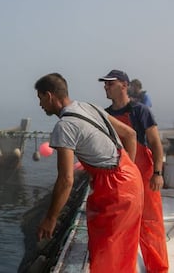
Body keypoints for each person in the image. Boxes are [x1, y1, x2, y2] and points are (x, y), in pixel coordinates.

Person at [34, 73, 144, 273]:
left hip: (116, 190)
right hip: (131, 177)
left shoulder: (64, 126)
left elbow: (66, 179)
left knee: (106, 256)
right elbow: (130, 134)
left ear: (49, 96)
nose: (40, 104)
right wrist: (126, 170)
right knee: (123, 254)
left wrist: (51, 218)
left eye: (40, 98)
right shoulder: (90, 106)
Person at [99, 69, 168, 273]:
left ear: (124, 85)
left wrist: (157, 173)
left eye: (110, 83)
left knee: (151, 224)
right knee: (120, 226)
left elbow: (155, 144)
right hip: (120, 177)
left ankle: (158, 268)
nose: (106, 86)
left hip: (145, 174)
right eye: (105, 84)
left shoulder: (140, 111)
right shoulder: (105, 115)